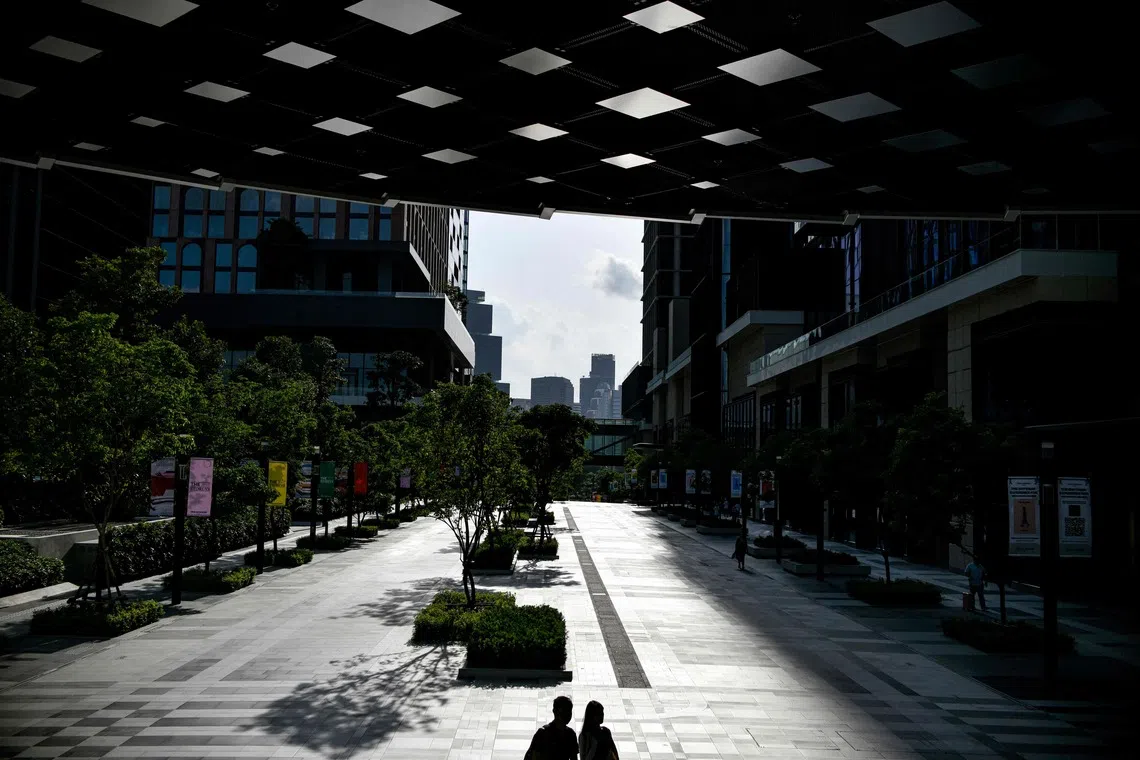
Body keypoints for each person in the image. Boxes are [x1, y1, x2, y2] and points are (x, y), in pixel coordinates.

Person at [525, 696, 578, 760]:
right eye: (564, 711)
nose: (568, 715)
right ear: (555, 712)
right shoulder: (542, 733)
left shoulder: (571, 734)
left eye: (569, 711)